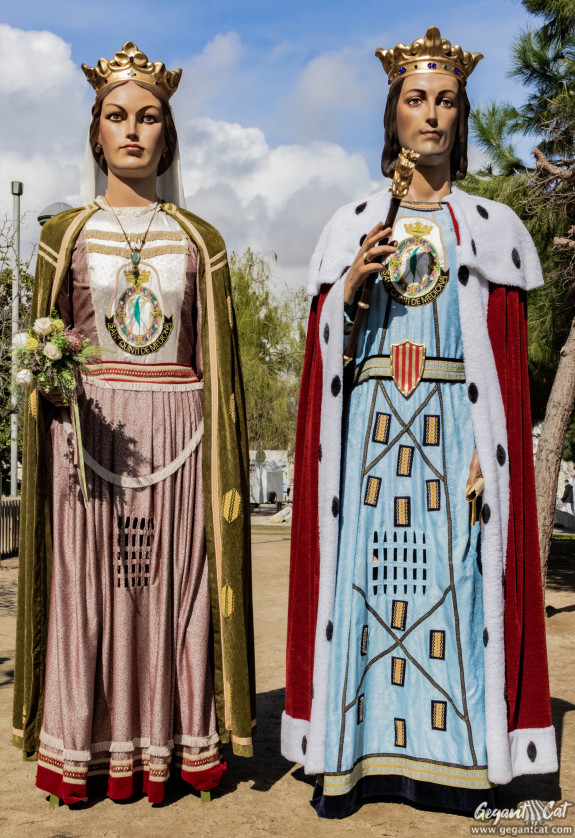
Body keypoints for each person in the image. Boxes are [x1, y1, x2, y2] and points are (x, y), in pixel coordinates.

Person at [282, 26, 557, 818]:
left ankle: (457, 768)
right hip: (369, 446)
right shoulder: (351, 225)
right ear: (392, 116)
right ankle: (356, 759)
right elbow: (323, 364)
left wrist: (491, 454)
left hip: (451, 447)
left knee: (454, 597)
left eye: (444, 102)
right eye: (414, 101)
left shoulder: (489, 228)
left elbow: (502, 367)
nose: (429, 116)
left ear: (460, 117)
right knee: (365, 596)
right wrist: (348, 293)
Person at [12, 42, 256, 805]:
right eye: (116, 117)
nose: (132, 131)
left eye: (148, 118)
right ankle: (83, 750)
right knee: (89, 594)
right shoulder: (64, 236)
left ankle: (174, 749)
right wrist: (46, 391)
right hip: (89, 441)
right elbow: (39, 348)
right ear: (95, 133)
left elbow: (221, 374)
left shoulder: (200, 240)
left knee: (174, 596)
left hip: (181, 441)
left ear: (168, 135)